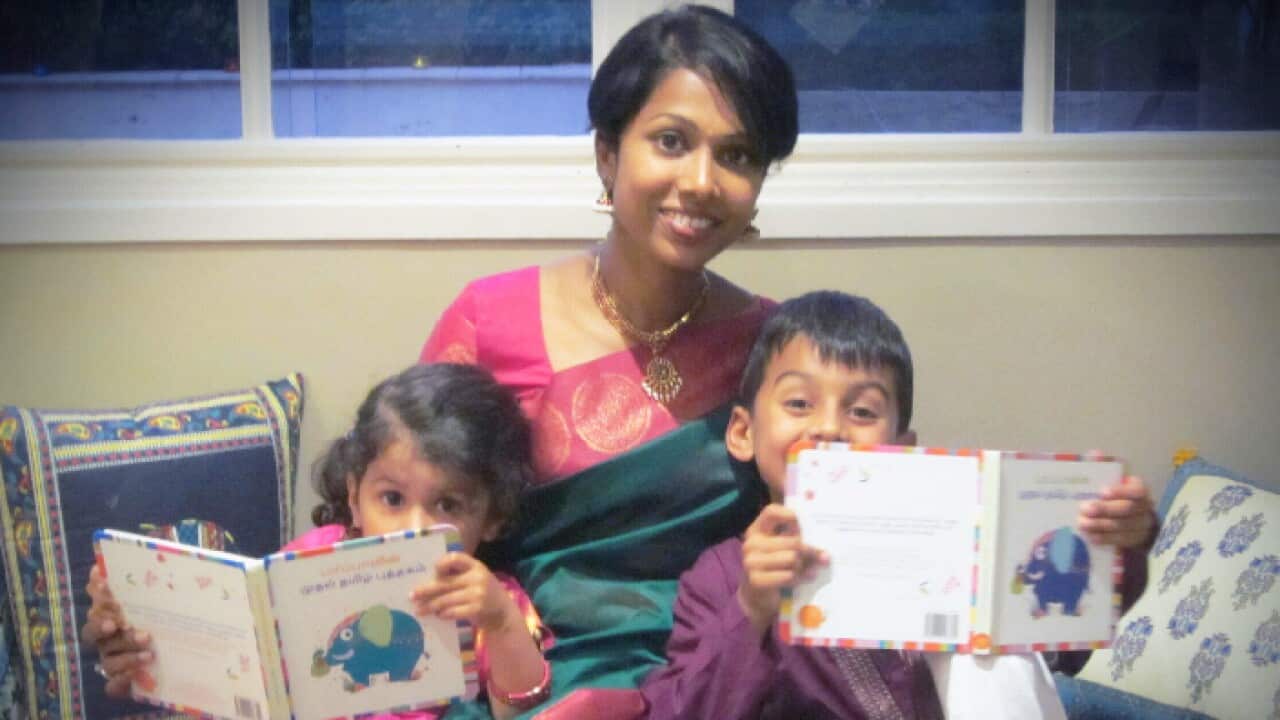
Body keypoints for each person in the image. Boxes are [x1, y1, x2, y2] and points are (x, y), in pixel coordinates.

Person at [418, 5, 798, 717]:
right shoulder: (489, 324)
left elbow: (857, 515)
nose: (703, 181)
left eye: (738, 154)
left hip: (715, 684)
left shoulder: (777, 350)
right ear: (606, 152)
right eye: (671, 141)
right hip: (524, 682)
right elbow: (404, 528)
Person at [639, 291, 1157, 719]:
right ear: (743, 433)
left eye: (862, 410)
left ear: (901, 448)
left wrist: (1115, 542)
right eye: (799, 403)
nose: (828, 427)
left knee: (993, 653)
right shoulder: (723, 578)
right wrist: (751, 610)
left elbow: (1061, 647)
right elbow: (680, 711)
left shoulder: (958, 543)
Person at [84, 364, 552, 720]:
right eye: (391, 498)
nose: (415, 527)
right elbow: (249, 665)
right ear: (354, 495)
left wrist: (503, 624)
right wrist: (141, 635)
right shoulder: (310, 560)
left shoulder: (487, 600)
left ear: (492, 518)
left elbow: (521, 708)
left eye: (448, 505)